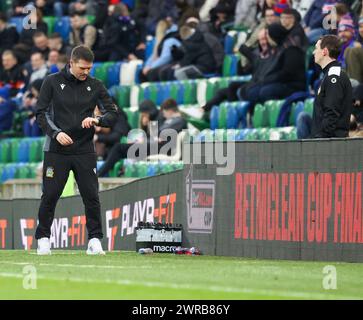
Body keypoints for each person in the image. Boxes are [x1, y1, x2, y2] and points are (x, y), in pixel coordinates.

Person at [34, 45, 118, 255]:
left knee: (91, 195)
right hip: (56, 149)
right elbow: (41, 114)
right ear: (71, 63)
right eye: (82, 68)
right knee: (51, 194)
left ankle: (95, 240)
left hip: (84, 150)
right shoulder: (51, 82)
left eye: (89, 68)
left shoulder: (96, 85)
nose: (86, 72)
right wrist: (55, 134)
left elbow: (112, 114)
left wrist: (97, 119)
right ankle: (43, 238)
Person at [97, 98, 187, 177]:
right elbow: (153, 136)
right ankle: (106, 173)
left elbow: (159, 136)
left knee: (118, 148)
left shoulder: (178, 120)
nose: (163, 114)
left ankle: (99, 174)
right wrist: (145, 128)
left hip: (158, 147)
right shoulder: (162, 119)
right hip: (153, 146)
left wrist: (144, 139)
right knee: (119, 149)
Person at [297, 35, 352, 138]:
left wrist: (320, 140)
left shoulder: (334, 76)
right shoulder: (329, 75)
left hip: (330, 142)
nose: (313, 52)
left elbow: (332, 111)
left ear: (325, 51)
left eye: (316, 48)